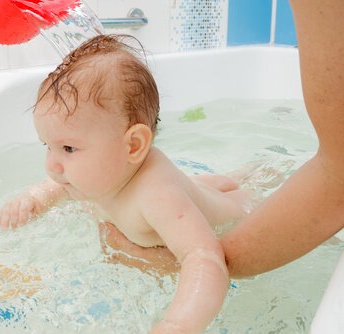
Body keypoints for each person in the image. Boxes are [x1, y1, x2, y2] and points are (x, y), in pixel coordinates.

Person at [102, 0, 343, 331]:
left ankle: (245, 179)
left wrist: (165, 265)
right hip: (210, 193)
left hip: (232, 208)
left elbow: (339, 179)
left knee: (236, 198)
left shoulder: (157, 193)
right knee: (212, 188)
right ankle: (244, 175)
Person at [0, 34, 255, 333]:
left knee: (228, 195)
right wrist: (34, 199)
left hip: (239, 212)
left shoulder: (157, 196)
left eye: (68, 149)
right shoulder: (99, 175)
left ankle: (248, 176)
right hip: (195, 190)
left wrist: (177, 324)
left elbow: (204, 257)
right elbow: (57, 183)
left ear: (133, 145)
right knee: (200, 187)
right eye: (47, 146)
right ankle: (229, 178)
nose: (52, 166)